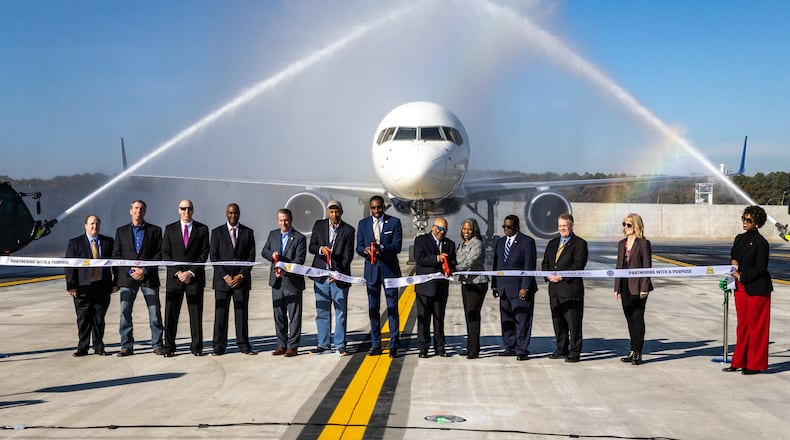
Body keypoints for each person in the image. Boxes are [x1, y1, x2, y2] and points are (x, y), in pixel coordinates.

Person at [723, 205, 773, 375]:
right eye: (743, 219)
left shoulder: (761, 243)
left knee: (756, 327)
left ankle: (755, 364)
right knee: (742, 326)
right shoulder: (739, 238)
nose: (744, 222)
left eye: (749, 220)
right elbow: (734, 255)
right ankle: (739, 361)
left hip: (756, 288)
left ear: (757, 223)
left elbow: (761, 267)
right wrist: (734, 263)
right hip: (741, 288)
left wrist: (741, 276)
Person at [112, 200, 164, 356]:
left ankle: (157, 344)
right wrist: (130, 271)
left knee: (154, 312)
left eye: (141, 209)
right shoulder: (121, 231)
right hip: (128, 279)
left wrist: (144, 270)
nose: (138, 211)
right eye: (135, 208)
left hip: (148, 278)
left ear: (145, 212)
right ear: (130, 211)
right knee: (124, 312)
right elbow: (117, 255)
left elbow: (159, 254)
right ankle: (126, 345)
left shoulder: (155, 230)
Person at [161, 199, 210, 357]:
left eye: (189, 208)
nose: (186, 211)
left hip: (194, 279)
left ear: (193, 210)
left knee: (195, 315)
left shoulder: (202, 229)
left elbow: (204, 253)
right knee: (170, 315)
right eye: (183, 208)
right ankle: (169, 347)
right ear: (178, 210)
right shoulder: (169, 229)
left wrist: (190, 272)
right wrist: (178, 272)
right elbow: (165, 253)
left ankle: (196, 347)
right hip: (174, 279)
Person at [356, 195, 403, 358]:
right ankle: (376, 344)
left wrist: (381, 247)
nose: (376, 211)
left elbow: (397, 246)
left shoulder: (395, 222)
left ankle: (394, 344)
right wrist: (365, 251)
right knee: (373, 310)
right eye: (373, 208)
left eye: (379, 207)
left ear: (384, 207)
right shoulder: (363, 224)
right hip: (371, 272)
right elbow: (359, 247)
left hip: (389, 271)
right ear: (370, 208)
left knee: (392, 309)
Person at [65, 214, 117, 356]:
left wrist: (116, 281)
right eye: (92, 224)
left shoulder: (108, 242)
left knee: (99, 319)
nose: (94, 226)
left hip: (102, 286)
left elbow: (116, 263)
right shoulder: (75, 243)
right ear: (85, 225)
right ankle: (83, 347)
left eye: (97, 224)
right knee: (83, 319)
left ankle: (99, 346)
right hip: (83, 288)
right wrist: (71, 285)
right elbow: (69, 266)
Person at [308, 200, 355, 356]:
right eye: (331, 212)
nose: (334, 215)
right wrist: (321, 249)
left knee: (340, 312)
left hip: (338, 277)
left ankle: (340, 344)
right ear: (327, 212)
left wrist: (338, 273)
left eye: (336, 212)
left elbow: (348, 256)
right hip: (321, 275)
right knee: (322, 311)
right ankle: (323, 344)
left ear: (341, 212)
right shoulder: (319, 225)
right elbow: (312, 247)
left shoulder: (348, 230)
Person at [209, 203, 256, 356]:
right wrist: (226, 276)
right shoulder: (217, 233)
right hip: (223, 281)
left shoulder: (248, 233)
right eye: (230, 213)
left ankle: (243, 345)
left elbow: (251, 257)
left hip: (241, 281)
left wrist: (241, 275)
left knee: (241, 314)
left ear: (239, 213)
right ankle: (219, 346)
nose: (233, 215)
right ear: (226, 214)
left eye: (235, 213)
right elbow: (214, 257)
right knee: (220, 314)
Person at [541, 213, 588, 363]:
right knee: (558, 322)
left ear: (571, 226)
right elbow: (545, 263)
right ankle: (561, 349)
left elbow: (578, 265)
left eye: (565, 226)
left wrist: (562, 276)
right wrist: (548, 275)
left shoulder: (580, 244)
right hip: (554, 290)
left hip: (570, 290)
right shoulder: (553, 243)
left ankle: (575, 352)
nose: (562, 228)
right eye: (560, 226)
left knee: (573, 323)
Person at [491, 215, 537, 361]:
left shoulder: (527, 242)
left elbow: (529, 266)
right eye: (504, 227)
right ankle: (510, 347)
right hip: (504, 288)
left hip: (520, 289)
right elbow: (496, 265)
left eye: (509, 227)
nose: (506, 229)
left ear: (517, 226)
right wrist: (494, 285)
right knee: (507, 319)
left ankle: (522, 349)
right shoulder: (500, 242)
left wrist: (525, 287)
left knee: (522, 319)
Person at [262, 208, 306, 357]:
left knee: (294, 317)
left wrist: (284, 269)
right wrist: (272, 255)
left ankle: (292, 347)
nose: (284, 223)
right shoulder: (273, 235)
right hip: (276, 282)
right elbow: (264, 251)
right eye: (281, 220)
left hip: (292, 283)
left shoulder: (299, 238)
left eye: (286, 220)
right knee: (279, 316)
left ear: (291, 220)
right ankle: (281, 344)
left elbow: (299, 260)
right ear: (278, 221)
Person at [413, 217, 457, 358]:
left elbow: (453, 261)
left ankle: (440, 347)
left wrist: (451, 267)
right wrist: (437, 259)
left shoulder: (449, 244)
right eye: (439, 228)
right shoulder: (421, 241)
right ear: (433, 227)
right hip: (424, 288)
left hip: (441, 288)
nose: (441, 232)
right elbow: (420, 258)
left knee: (439, 319)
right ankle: (424, 347)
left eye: (444, 229)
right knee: (423, 319)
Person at [614, 213, 653, 366]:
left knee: (637, 319)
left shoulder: (643, 243)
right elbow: (618, 266)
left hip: (638, 287)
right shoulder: (621, 243)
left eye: (629, 225)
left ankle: (638, 352)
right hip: (624, 286)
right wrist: (616, 287)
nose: (625, 227)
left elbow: (647, 266)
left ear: (636, 226)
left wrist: (644, 287)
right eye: (624, 224)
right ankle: (632, 350)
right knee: (629, 318)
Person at [455, 218, 488, 359]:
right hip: (466, 283)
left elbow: (470, 261)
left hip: (477, 283)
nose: (466, 231)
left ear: (474, 230)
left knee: (473, 315)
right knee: (468, 315)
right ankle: (470, 347)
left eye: (469, 229)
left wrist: (453, 269)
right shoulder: (462, 244)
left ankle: (474, 349)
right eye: (464, 229)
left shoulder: (477, 243)